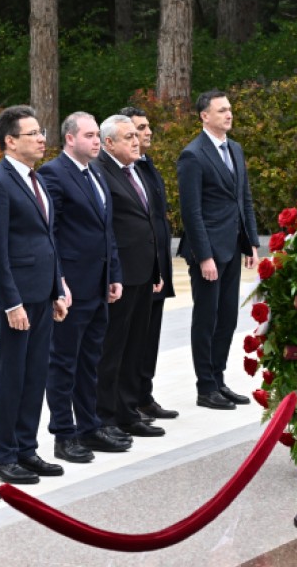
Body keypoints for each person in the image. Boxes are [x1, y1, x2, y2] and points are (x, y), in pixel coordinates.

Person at [0, 105, 69, 485]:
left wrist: (56, 288)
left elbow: (47, 238)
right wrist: (11, 302)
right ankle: (2, 455)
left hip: (41, 292)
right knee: (13, 376)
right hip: (17, 299)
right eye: (32, 133)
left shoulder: (37, 179)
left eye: (41, 131)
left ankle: (27, 448)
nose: (41, 138)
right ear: (10, 141)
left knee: (36, 373)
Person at [38, 112, 126, 463]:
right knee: (64, 362)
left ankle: (89, 425)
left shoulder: (97, 173)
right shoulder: (53, 174)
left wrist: (114, 273)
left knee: (91, 360)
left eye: (96, 135)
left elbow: (107, 230)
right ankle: (64, 433)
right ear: (70, 138)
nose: (96, 141)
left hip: (99, 284)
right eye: (89, 135)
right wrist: (58, 282)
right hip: (72, 288)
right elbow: (51, 234)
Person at [176, 90, 260, 411]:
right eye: (221, 110)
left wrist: (250, 241)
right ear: (204, 116)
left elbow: (244, 198)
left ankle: (219, 379)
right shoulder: (193, 155)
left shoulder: (235, 149)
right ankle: (205, 386)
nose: (228, 114)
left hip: (233, 247)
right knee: (206, 318)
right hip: (208, 252)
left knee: (227, 318)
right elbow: (191, 212)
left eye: (229, 109)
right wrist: (205, 255)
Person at [94, 115, 165, 439]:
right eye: (127, 137)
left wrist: (156, 268)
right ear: (108, 143)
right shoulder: (101, 171)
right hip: (118, 275)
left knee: (135, 348)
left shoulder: (137, 169)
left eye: (136, 135)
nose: (136, 141)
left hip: (143, 271)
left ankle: (127, 412)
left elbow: (151, 220)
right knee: (113, 351)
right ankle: (105, 417)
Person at [119, 106, 178, 422]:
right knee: (133, 340)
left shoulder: (146, 165)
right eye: (140, 128)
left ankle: (143, 393)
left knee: (150, 336)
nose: (147, 132)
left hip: (155, 266)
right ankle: (129, 400)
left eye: (146, 126)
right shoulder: (124, 170)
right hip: (135, 268)